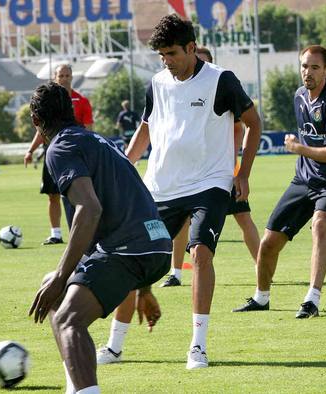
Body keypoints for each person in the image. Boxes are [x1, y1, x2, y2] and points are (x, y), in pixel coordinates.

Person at [95, 14, 261, 369]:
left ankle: (197, 347)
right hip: (161, 189)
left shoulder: (221, 80)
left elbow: (253, 123)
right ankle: (114, 346)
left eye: (171, 53)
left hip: (210, 185)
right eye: (161, 55)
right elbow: (145, 130)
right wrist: (124, 170)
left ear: (190, 48)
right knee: (131, 258)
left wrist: (242, 173)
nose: (166, 61)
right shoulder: (156, 83)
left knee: (200, 252)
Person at [28, 81, 171, 394]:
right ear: (71, 111)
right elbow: (134, 199)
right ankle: (76, 388)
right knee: (56, 286)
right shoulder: (98, 140)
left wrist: (61, 278)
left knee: (68, 319)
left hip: (127, 251)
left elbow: (89, 209)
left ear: (36, 122)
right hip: (157, 246)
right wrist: (143, 287)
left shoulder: (61, 147)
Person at [233, 45, 326, 319]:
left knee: (321, 226)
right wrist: (301, 153)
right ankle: (261, 297)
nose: (307, 72)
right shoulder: (299, 96)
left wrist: (299, 148)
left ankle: (312, 299)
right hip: (303, 180)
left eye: (314, 67)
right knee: (268, 243)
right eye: (304, 66)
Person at [160, 46, 260, 287]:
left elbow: (242, 127)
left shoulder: (219, 86)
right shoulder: (177, 89)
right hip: (190, 174)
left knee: (243, 217)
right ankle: (176, 272)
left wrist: (234, 162)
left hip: (222, 171)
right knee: (183, 222)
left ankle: (262, 266)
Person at [24, 64, 94, 245]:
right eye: (61, 75)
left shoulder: (82, 101)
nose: (64, 79)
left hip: (74, 154)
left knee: (76, 193)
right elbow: (41, 129)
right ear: (55, 77)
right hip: (52, 153)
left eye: (67, 75)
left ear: (72, 77)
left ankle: (80, 232)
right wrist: (31, 150)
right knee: (52, 193)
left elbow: (88, 128)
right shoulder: (48, 102)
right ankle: (56, 233)